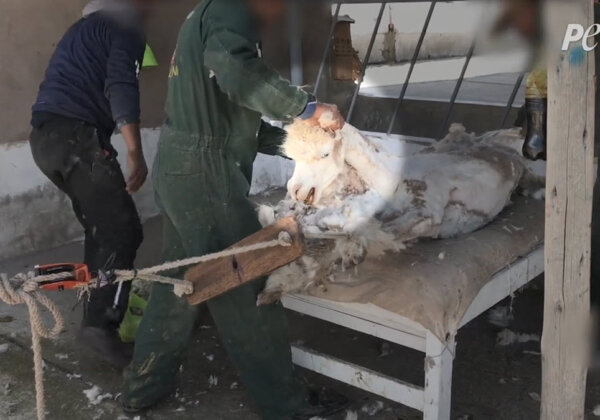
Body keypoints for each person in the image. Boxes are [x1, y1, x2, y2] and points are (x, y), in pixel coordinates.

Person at [122, 0, 347, 418]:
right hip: (204, 172)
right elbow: (241, 75)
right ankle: (286, 406)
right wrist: (310, 108)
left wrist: (299, 141)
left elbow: (232, 115)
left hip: (183, 164)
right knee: (247, 283)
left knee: (179, 280)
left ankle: (142, 387)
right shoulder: (230, 8)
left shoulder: (206, 13)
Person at [29, 0, 153, 367]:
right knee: (123, 231)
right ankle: (101, 325)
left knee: (101, 231)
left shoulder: (83, 29)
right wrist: (135, 151)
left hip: (46, 141)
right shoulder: (125, 26)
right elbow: (121, 82)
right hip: (75, 139)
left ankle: (94, 315)